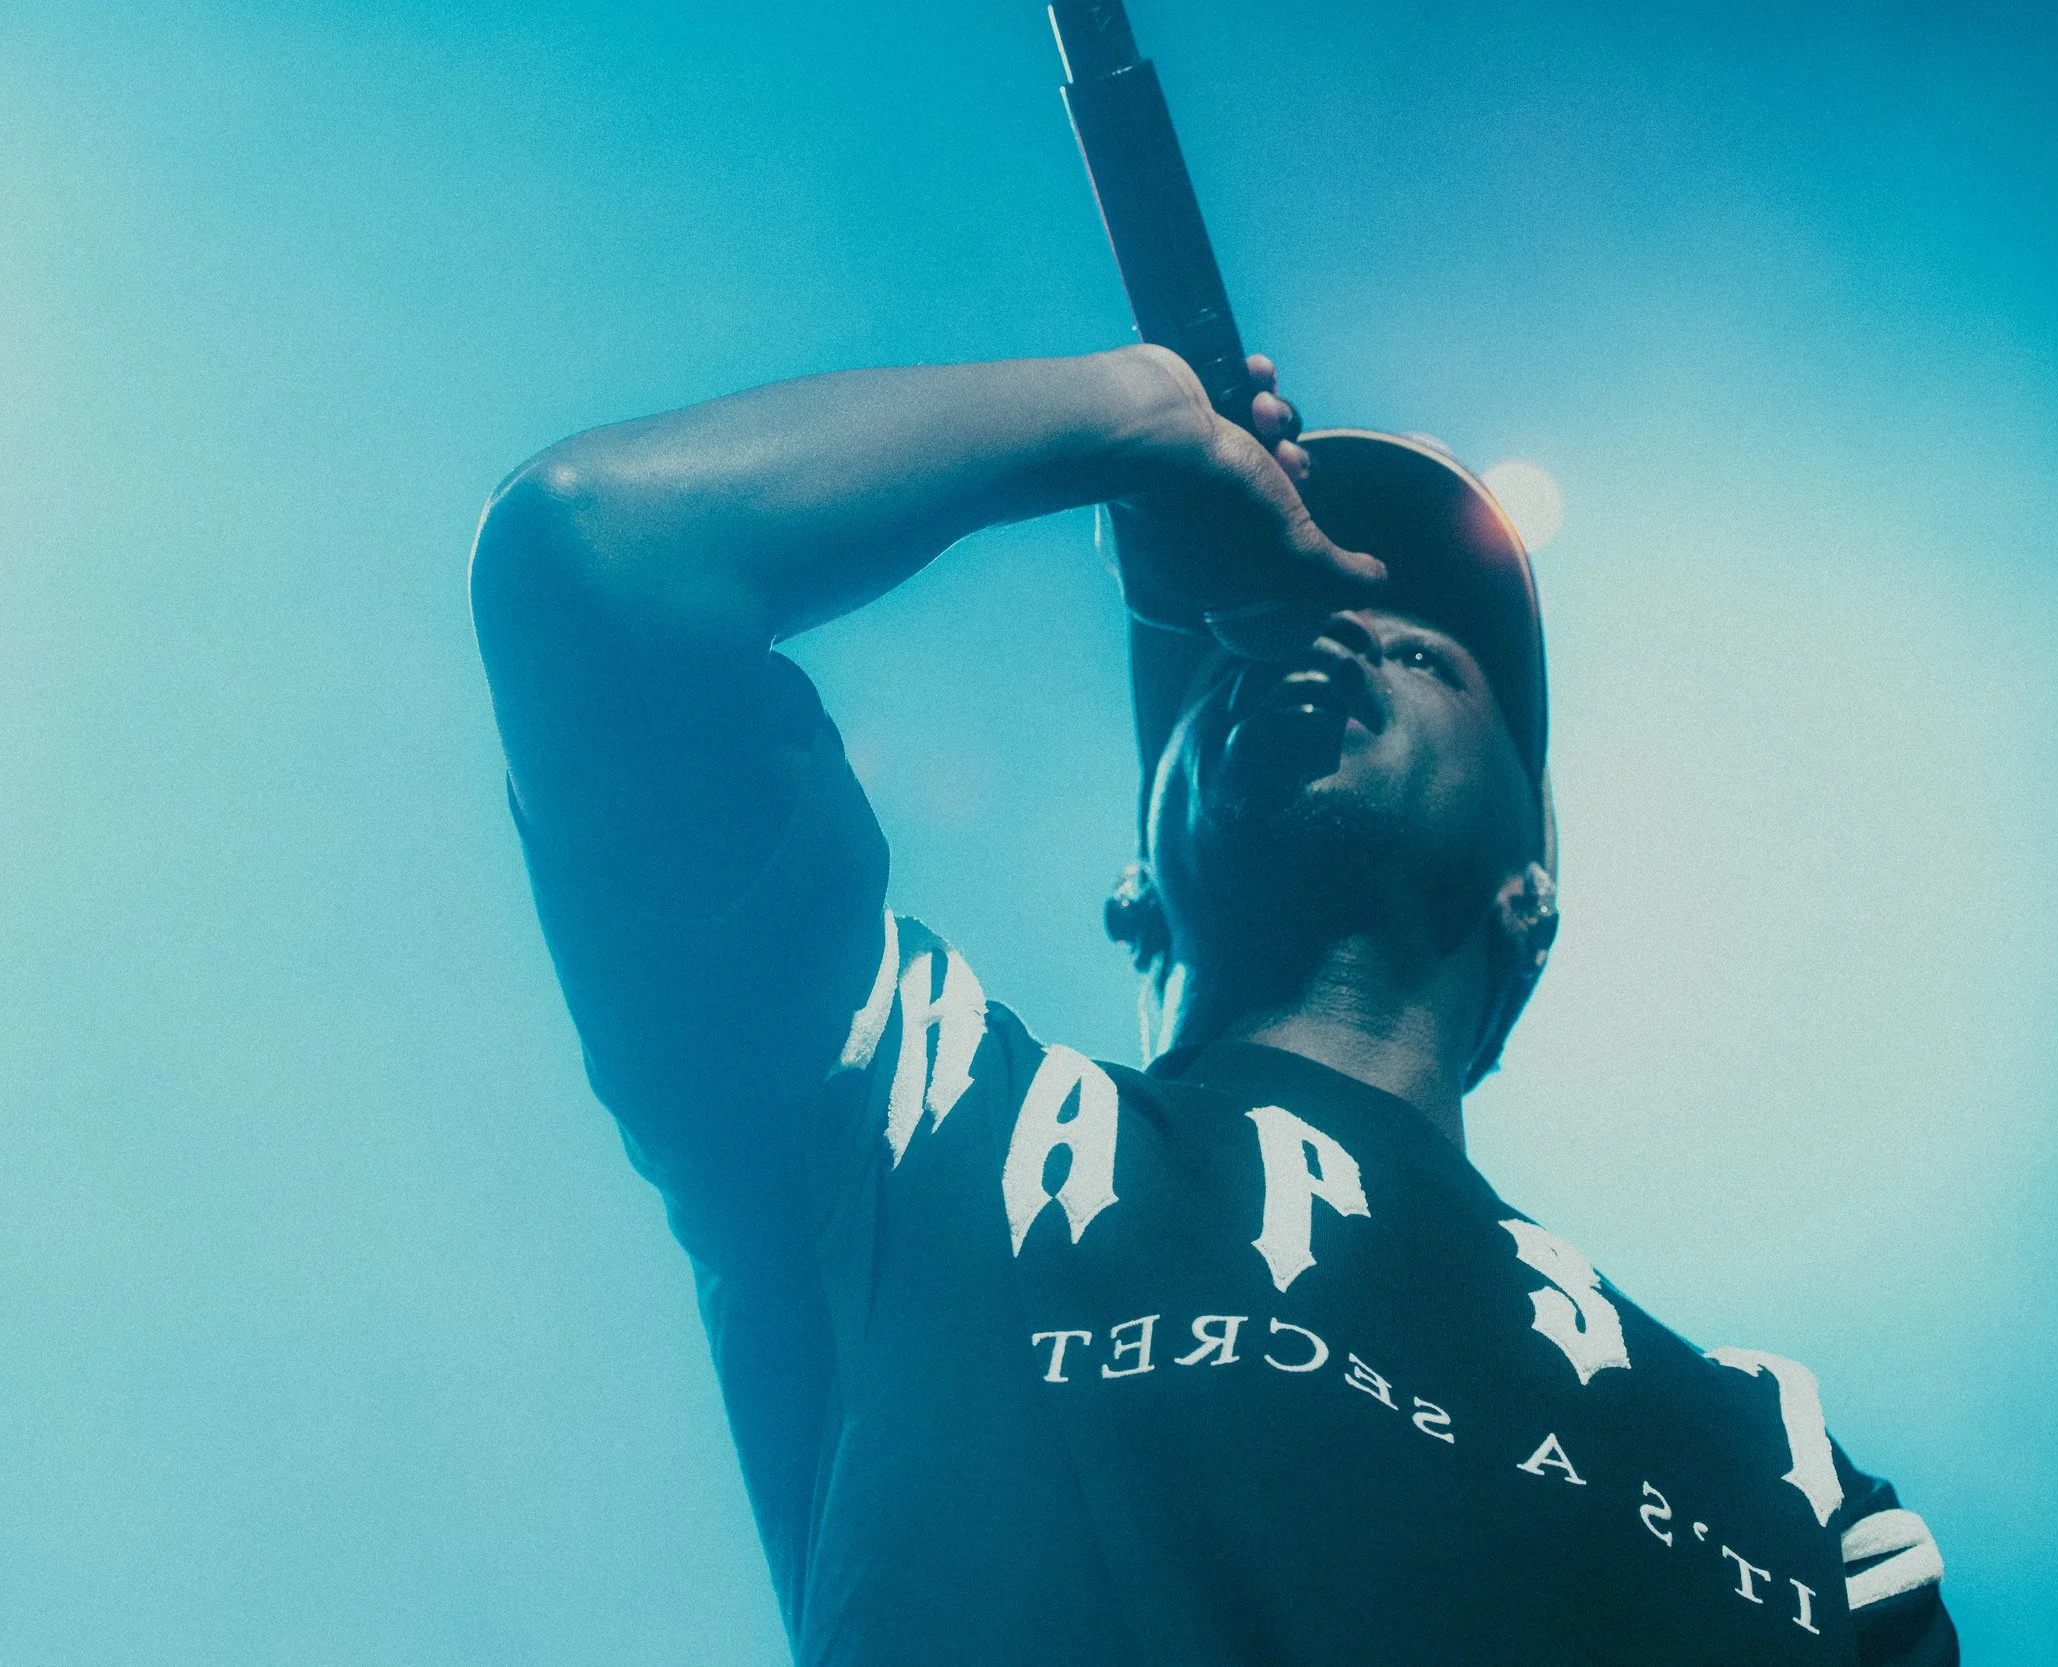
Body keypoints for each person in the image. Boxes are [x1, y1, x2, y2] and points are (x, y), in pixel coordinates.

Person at [470, 342, 1958, 1665]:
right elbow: (598, 550)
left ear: (1532, 893)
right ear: (1136, 879)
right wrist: (1128, 421)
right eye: (1246, 642)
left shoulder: (1785, 1465)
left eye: (1425, 648)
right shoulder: (917, 1103)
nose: (1335, 627)